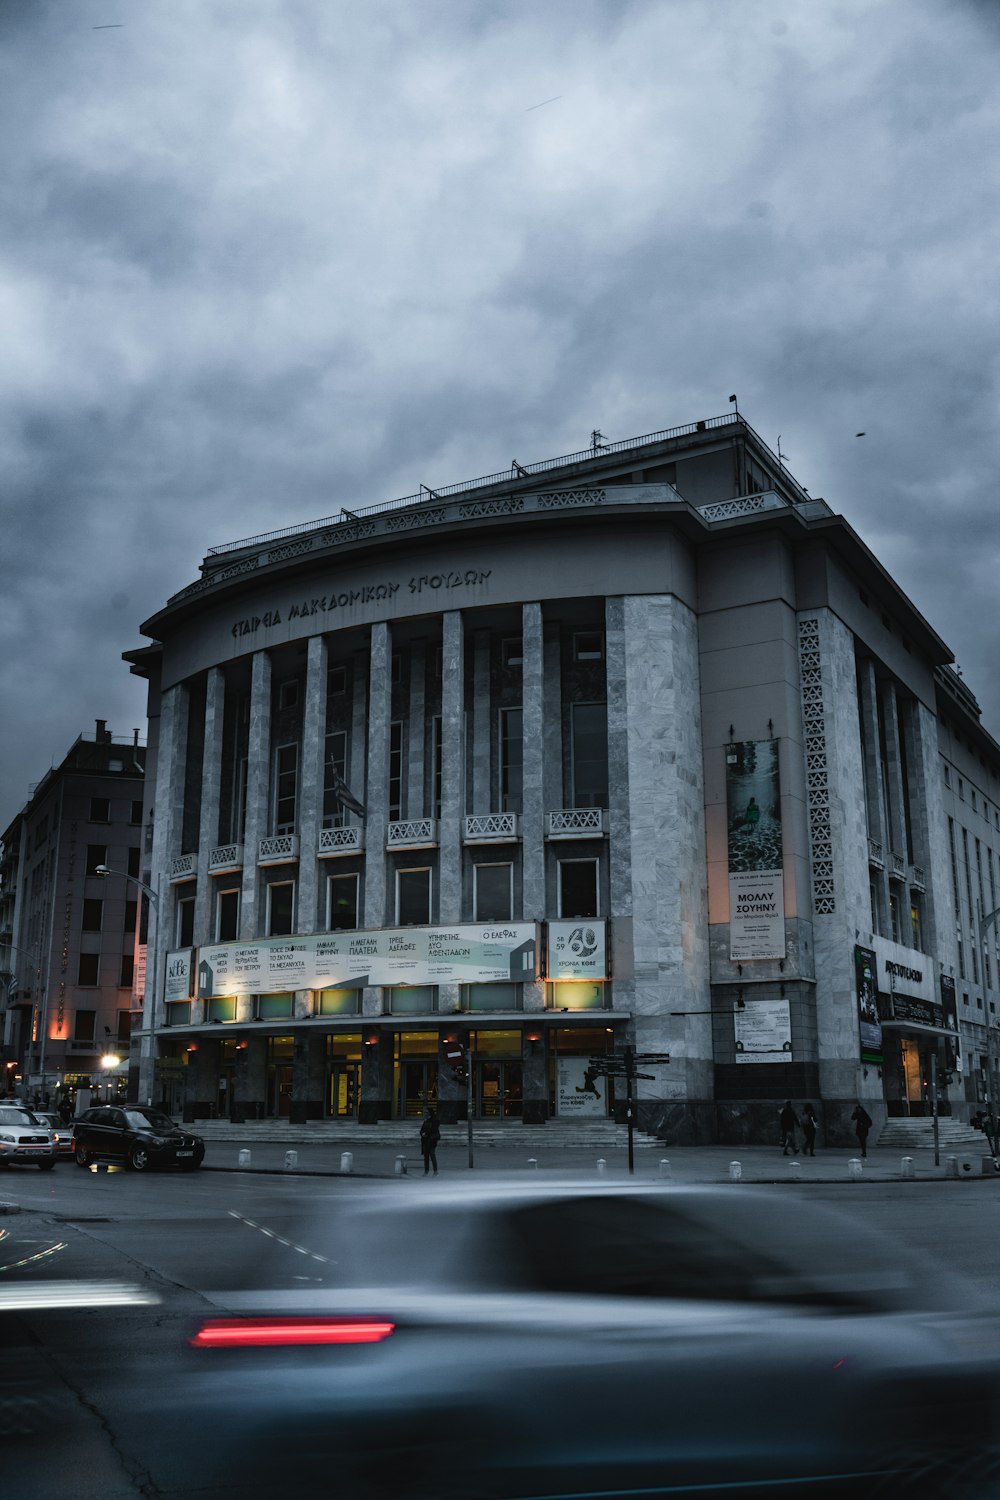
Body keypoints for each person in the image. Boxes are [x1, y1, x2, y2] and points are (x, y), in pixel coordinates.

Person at [419, 1108, 440, 1176]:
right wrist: (422, 1133)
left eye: (426, 1112)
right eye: (425, 1112)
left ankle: (435, 1171)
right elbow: (421, 1129)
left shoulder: (434, 1120)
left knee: (432, 1155)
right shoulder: (426, 1121)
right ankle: (426, 1171)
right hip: (425, 1141)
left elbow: (434, 1129)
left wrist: (426, 1133)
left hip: (432, 1140)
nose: (425, 1114)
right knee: (426, 1156)